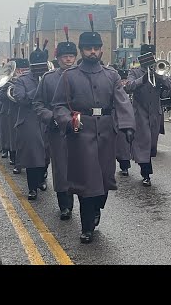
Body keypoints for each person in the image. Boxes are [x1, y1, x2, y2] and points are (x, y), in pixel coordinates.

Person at [51, 17, 135, 244]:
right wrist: (67, 122)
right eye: (88, 48)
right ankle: (87, 225)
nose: (92, 52)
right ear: (81, 50)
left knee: (105, 179)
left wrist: (127, 126)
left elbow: (122, 101)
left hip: (107, 132)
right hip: (82, 132)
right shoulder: (69, 76)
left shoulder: (111, 75)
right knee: (88, 181)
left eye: (96, 48)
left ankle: (97, 207)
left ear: (101, 50)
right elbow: (58, 105)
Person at [32, 28, 77, 219]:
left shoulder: (82, 77)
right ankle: (64, 205)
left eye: (71, 56)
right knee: (61, 169)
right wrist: (51, 117)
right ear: (58, 59)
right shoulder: (48, 79)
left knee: (81, 168)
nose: (68, 60)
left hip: (79, 130)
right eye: (65, 57)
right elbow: (38, 103)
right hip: (56, 131)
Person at [125, 43, 170, 186]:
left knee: (151, 144)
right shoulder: (135, 72)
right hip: (141, 113)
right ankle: (146, 173)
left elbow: (169, 86)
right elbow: (129, 87)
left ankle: (145, 166)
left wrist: (160, 76)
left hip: (155, 113)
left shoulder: (158, 72)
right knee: (143, 142)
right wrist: (144, 78)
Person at [13, 43, 49, 200]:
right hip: (29, 120)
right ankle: (32, 187)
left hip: (47, 119)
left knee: (46, 154)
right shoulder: (22, 80)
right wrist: (39, 88)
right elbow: (20, 98)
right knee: (33, 156)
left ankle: (41, 178)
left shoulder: (51, 77)